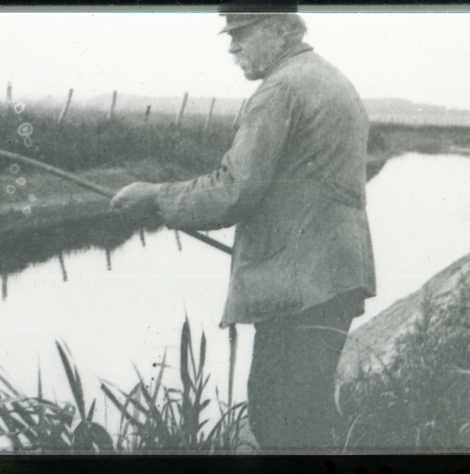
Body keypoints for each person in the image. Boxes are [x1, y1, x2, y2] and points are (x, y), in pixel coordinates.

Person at [110, 8, 376, 453]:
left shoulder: (281, 89)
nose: (233, 48)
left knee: (278, 421)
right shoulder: (332, 80)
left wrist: (155, 197)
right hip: (335, 278)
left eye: (241, 34)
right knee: (309, 414)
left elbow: (233, 190)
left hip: (299, 289)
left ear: (281, 30)